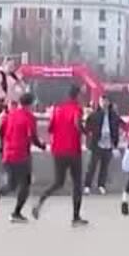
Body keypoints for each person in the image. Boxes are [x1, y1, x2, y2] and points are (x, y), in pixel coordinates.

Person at [33, 86, 89, 225]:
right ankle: (76, 217)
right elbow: (77, 123)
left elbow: (50, 129)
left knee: (58, 182)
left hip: (58, 150)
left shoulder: (57, 109)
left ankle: (41, 199)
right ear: (77, 96)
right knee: (77, 184)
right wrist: (85, 131)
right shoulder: (77, 109)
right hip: (73, 151)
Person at [0, 92, 43, 222]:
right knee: (25, 184)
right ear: (31, 104)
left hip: (7, 154)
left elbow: (0, 130)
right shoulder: (29, 117)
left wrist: (4, 145)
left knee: (12, 184)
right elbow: (33, 137)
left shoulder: (9, 115)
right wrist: (42, 146)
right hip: (21, 155)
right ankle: (16, 213)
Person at [83, 98, 121, 195]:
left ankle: (101, 185)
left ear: (109, 102)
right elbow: (86, 127)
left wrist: (115, 143)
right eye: (102, 101)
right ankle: (87, 186)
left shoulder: (113, 116)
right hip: (97, 144)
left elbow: (119, 126)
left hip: (108, 144)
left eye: (105, 101)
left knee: (104, 167)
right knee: (92, 166)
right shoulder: (94, 115)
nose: (104, 103)